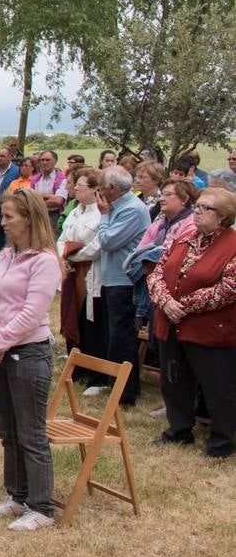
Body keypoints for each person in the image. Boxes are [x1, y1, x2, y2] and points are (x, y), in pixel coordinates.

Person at [0, 189, 62, 532]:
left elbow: (32, 313)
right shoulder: (6, 255)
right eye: (3, 215)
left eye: (10, 216)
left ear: (29, 218)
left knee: (31, 433)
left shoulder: (44, 261)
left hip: (28, 353)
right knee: (7, 431)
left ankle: (42, 506)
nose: (4, 222)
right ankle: (17, 494)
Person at [148, 188, 236, 458]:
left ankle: (221, 441)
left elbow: (229, 287)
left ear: (223, 216)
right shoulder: (184, 239)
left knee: (218, 387)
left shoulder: (232, 245)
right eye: (197, 207)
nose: (197, 212)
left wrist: (183, 306)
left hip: (209, 330)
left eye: (205, 208)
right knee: (174, 381)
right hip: (171, 322)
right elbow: (157, 273)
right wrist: (165, 302)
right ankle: (179, 430)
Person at [96, 166, 151, 406]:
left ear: (113, 188)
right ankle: (115, 384)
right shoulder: (117, 206)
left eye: (101, 185)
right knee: (112, 335)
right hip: (112, 279)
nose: (99, 190)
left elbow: (108, 241)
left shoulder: (132, 210)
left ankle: (126, 392)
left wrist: (104, 215)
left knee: (122, 337)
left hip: (124, 281)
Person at [57, 171, 104, 372]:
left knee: (88, 318)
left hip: (89, 271)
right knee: (71, 313)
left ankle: (91, 366)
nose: (75, 189)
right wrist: (63, 256)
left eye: (81, 186)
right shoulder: (75, 211)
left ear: (94, 189)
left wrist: (74, 256)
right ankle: (74, 357)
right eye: (75, 185)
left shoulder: (100, 213)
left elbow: (97, 245)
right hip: (71, 270)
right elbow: (62, 239)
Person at [0, 147, 20, 253]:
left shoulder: (16, 171)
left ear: (10, 157)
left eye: (2, 156)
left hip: (8, 213)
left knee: (9, 243)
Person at [30, 151, 69, 230]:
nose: (44, 162)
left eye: (48, 160)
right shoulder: (35, 179)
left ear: (55, 161)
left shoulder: (62, 179)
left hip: (55, 216)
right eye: (42, 160)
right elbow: (29, 198)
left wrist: (37, 199)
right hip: (38, 215)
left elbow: (58, 201)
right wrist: (47, 197)